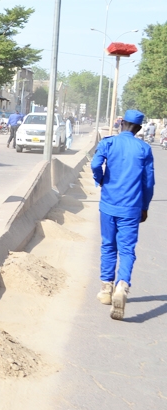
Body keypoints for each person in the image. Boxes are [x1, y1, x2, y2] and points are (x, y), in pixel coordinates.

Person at [91, 109, 154, 321]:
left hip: (108, 205)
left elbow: (94, 164)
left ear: (121, 124)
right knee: (127, 249)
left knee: (108, 245)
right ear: (139, 128)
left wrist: (100, 179)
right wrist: (144, 207)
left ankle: (106, 290)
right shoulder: (144, 149)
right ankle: (122, 286)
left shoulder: (109, 143)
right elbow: (148, 182)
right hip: (131, 208)